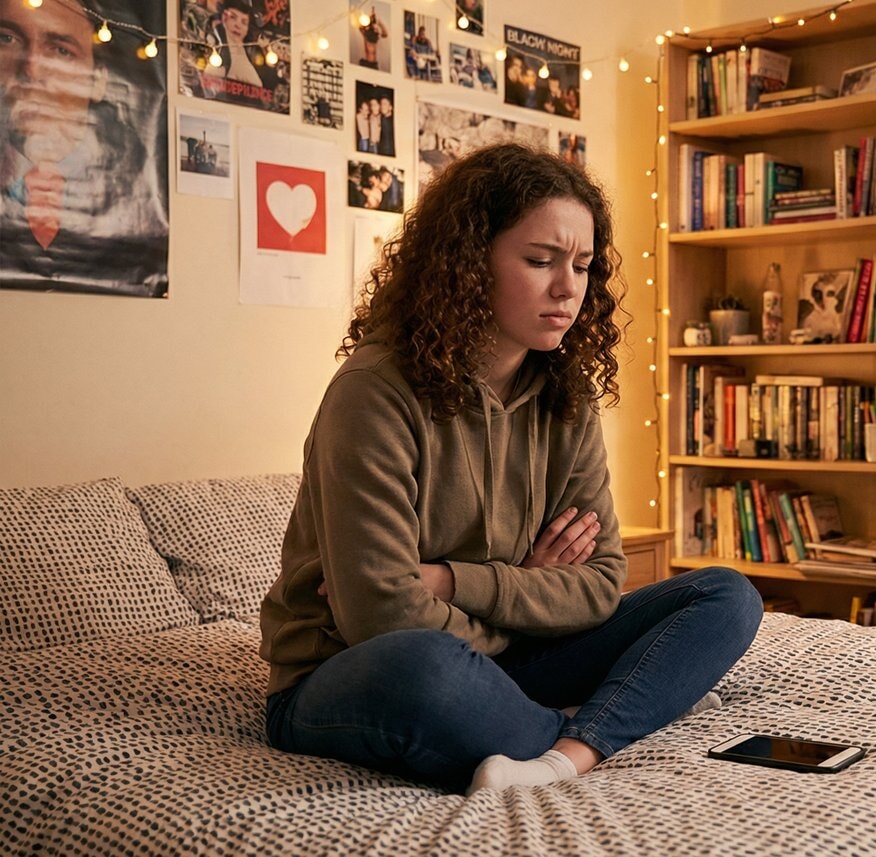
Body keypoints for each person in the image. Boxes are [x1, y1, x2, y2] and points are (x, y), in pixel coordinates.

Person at [260, 142, 763, 795]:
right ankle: (606, 720)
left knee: (723, 595)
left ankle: (565, 751)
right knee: (429, 666)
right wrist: (525, 590)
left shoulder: (567, 396)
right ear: (467, 265)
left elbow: (600, 582)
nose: (568, 288)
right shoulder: (373, 393)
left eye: (582, 266)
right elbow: (382, 618)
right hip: (349, 672)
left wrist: (449, 580)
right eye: (540, 260)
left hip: (505, 658)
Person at [0, 0, 167, 296]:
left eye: (61, 50)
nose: (33, 69)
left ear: (98, 81)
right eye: (7, 39)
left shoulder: (137, 192)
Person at [356, 5, 385, 70]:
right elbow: (360, 27)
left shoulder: (375, 36)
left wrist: (380, 24)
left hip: (374, 64)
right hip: (368, 64)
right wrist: (368, 21)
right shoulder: (366, 34)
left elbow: (385, 34)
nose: (375, 28)